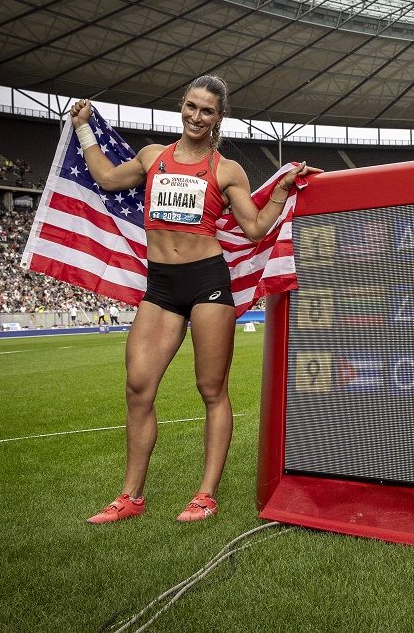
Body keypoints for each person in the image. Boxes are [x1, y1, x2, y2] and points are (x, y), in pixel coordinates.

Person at [74, 75, 320, 524]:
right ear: (181, 106)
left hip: (207, 282)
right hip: (161, 285)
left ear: (218, 118)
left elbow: (254, 228)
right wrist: (84, 129)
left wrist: (283, 187)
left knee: (211, 389)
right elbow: (107, 178)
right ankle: (130, 497)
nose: (196, 116)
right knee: (138, 386)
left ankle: (205, 494)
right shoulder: (153, 157)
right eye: (191, 106)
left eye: (207, 110)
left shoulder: (227, 170)